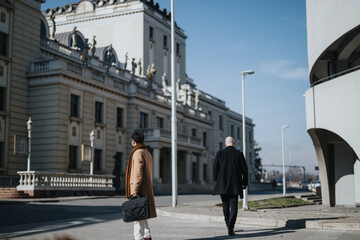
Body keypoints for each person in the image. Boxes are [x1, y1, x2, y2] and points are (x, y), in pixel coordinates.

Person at [213, 136, 248, 236]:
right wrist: (244, 183)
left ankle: (228, 224)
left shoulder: (220, 154)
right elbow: (245, 171)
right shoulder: (239, 154)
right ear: (234, 143)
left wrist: (217, 181)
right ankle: (231, 227)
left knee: (225, 205)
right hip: (235, 185)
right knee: (234, 206)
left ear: (225, 144)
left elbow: (215, 169)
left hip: (222, 185)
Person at [125, 131, 157, 240]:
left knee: (137, 215)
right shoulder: (147, 152)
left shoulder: (137, 153)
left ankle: (138, 238)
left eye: (131, 140)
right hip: (145, 189)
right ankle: (147, 236)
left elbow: (137, 173)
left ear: (133, 141)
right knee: (142, 214)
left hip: (140, 190)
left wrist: (134, 190)